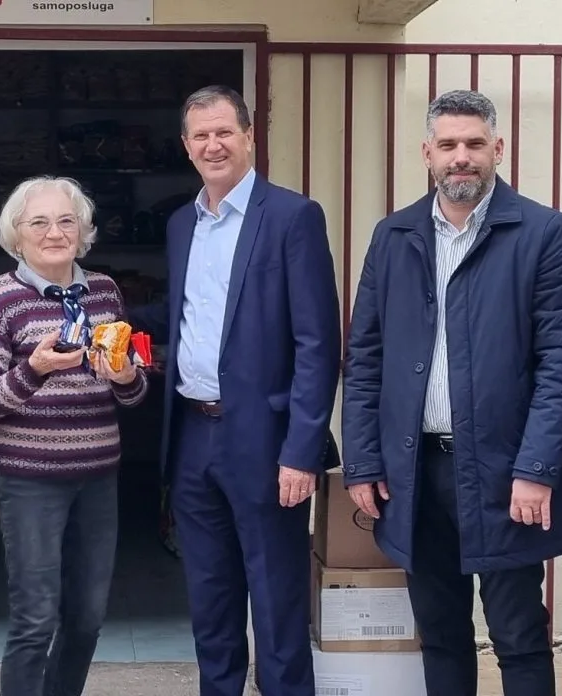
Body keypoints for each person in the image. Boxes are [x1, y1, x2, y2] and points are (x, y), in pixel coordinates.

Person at [342, 90, 562, 696]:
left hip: (507, 470)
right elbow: (365, 358)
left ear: (497, 149)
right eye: (448, 144)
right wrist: (363, 461)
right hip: (415, 472)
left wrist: (537, 468)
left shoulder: (544, 233)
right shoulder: (394, 235)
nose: (462, 156)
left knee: (518, 635)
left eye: (475, 144)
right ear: (426, 152)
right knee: (440, 633)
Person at [159, 85, 341, 696]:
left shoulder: (292, 217)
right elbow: (183, 321)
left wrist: (301, 451)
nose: (213, 145)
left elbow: (318, 344)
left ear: (248, 136)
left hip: (266, 440)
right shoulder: (180, 225)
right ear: (186, 146)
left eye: (223, 132)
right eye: (200, 136)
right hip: (192, 435)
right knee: (209, 597)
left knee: (276, 598)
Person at [0, 176, 148, 696]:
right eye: (39, 223)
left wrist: (126, 377)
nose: (54, 233)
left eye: (67, 221)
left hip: (98, 478)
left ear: (83, 231)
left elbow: (134, 396)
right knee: (35, 620)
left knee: (87, 618)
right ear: (16, 235)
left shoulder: (105, 292)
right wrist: (34, 370)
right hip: (30, 482)